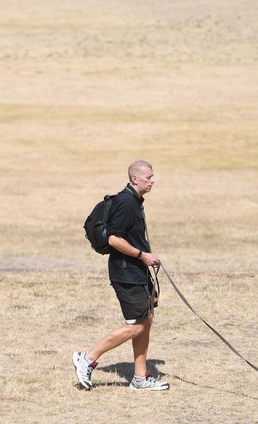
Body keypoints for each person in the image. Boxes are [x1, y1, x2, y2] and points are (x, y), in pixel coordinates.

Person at [72, 160, 169, 391]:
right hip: (126, 273)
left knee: (146, 322)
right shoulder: (126, 203)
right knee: (136, 326)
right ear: (135, 179)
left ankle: (139, 378)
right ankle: (87, 359)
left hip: (137, 271)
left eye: (153, 176)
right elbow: (114, 239)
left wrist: (144, 258)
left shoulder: (134, 200)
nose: (153, 181)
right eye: (149, 177)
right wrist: (142, 255)